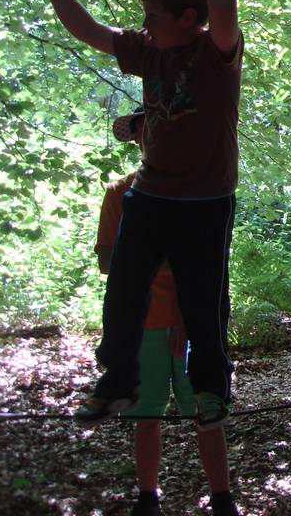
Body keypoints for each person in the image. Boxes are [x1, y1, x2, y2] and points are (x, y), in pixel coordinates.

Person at [32, 0, 243, 427]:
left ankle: (212, 389)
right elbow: (89, 32)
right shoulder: (149, 50)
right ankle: (118, 381)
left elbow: (225, 10)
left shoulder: (216, 53)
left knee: (203, 299)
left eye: (154, 15)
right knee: (124, 290)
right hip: (151, 195)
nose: (145, 25)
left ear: (188, 17)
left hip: (205, 201)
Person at [98, 110, 237, 516]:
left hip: (193, 323)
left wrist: (182, 316)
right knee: (146, 412)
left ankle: (222, 498)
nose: (151, 138)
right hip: (144, 324)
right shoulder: (120, 193)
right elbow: (108, 260)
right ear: (139, 140)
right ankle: (147, 499)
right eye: (144, 131)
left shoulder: (197, 191)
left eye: (158, 129)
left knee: (207, 412)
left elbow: (206, 265)